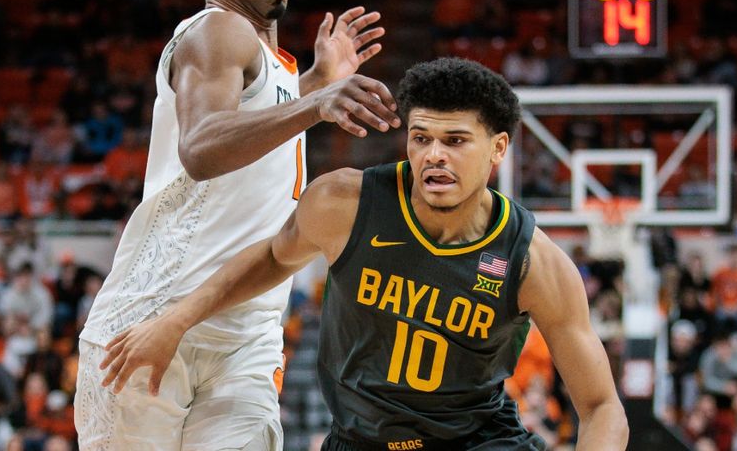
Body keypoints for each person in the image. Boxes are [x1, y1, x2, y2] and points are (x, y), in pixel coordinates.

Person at [100, 58, 629, 450]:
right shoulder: (346, 202)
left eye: (456, 140)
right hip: (359, 442)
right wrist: (176, 320)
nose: (434, 155)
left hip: (477, 442)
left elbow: (603, 406)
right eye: (421, 137)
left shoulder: (533, 260)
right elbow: (271, 258)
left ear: (498, 149)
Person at [74, 0, 400, 450]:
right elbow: (202, 148)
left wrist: (317, 83)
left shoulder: (271, 65)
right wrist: (315, 103)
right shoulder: (217, 30)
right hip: (156, 315)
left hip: (246, 327)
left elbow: (254, 127)